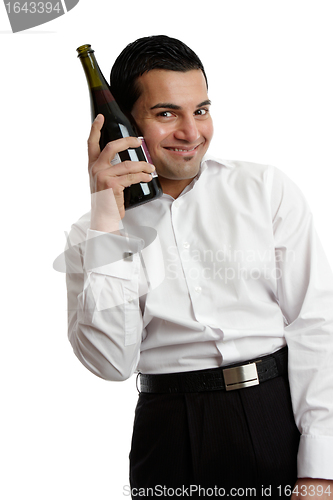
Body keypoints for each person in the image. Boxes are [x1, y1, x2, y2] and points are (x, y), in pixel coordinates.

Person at [66, 35, 333, 498]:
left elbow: (316, 324)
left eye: (202, 110)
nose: (192, 132)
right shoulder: (91, 237)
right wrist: (107, 220)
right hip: (166, 433)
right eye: (167, 114)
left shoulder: (265, 190)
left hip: (273, 416)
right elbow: (111, 363)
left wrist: (321, 469)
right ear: (123, 124)